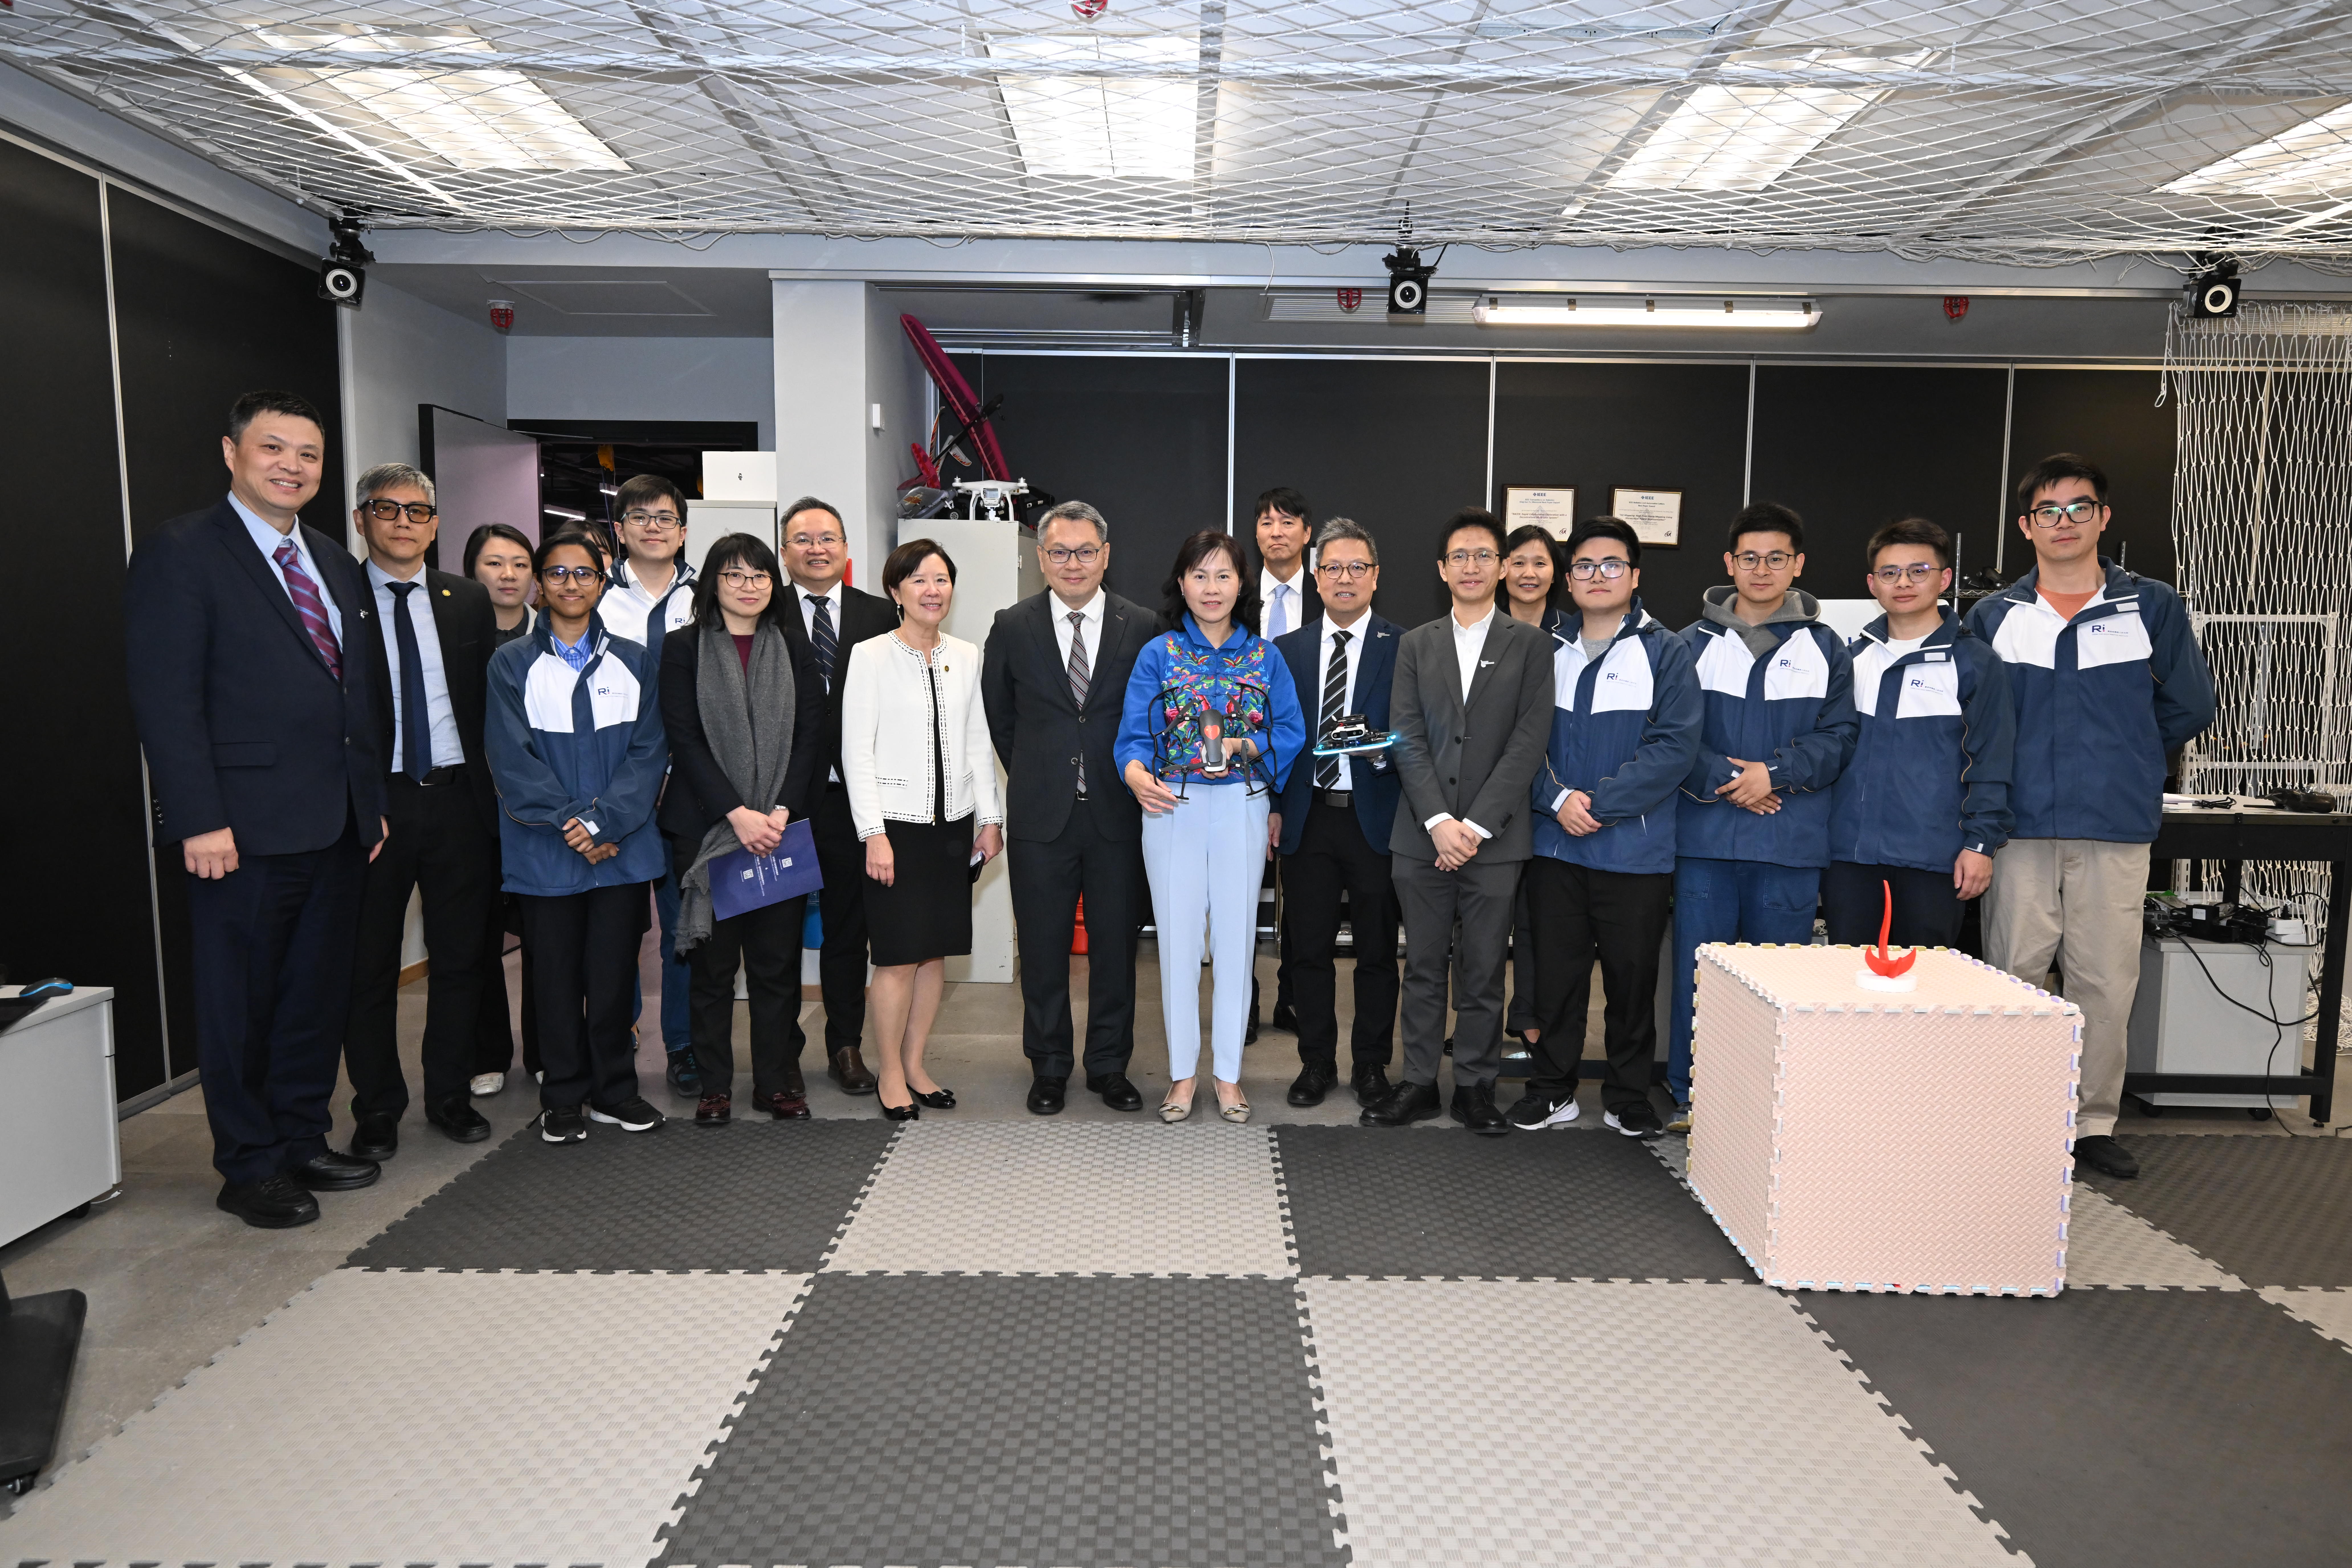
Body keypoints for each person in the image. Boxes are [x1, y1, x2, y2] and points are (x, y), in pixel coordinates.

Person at [123, 390, 388, 1228]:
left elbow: (361, 696)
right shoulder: (184, 552)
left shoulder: (335, 563)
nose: (292, 467)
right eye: (274, 449)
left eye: (307, 455)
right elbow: (166, 700)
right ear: (232, 453)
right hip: (239, 828)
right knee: (241, 999)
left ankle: (301, 1135)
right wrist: (197, 816)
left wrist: (370, 802)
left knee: (315, 993)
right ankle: (248, 1164)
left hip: (338, 821)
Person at [1967, 455, 2214, 1179]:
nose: (2065, 522)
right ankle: (2012, 1112)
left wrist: (2131, 757)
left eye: (2080, 508)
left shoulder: (2152, 605)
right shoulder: (1995, 615)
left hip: (2114, 824)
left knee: (2104, 979)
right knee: (2014, 973)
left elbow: (2189, 706)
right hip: (2018, 829)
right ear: (2026, 526)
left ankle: (2090, 1121)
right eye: (2049, 510)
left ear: (2105, 518)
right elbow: (1977, 721)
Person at [1360, 508, 1553, 1136]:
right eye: (1459, 557)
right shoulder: (1416, 644)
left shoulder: (1530, 646)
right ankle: (1418, 1083)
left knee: (1483, 968)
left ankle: (1475, 1086)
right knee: (1420, 965)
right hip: (1422, 838)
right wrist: (1440, 821)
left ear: (1501, 568)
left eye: (1483, 555)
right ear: (1442, 570)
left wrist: (1474, 827)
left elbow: (1528, 744)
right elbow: (1405, 737)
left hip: (1495, 842)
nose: (1472, 567)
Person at [1668, 503, 1858, 1130]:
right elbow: (1670, 734)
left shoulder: (1827, 648)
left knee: (1780, 982)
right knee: (1702, 977)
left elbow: (1841, 736)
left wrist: (1771, 775)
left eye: (1777, 557)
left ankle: (1767, 1107)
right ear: (1729, 564)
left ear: (1798, 566)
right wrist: (1732, 778)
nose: (1762, 569)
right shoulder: (1688, 645)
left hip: (1789, 842)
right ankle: (1692, 1095)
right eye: (1749, 557)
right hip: (1706, 839)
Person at [1510, 517, 1702, 1136]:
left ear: (1635, 575)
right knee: (1557, 978)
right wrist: (1558, 798)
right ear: (1569, 580)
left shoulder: (1667, 651)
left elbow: (1674, 748)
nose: (1599, 576)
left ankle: (1627, 1095)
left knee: (1632, 979)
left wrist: (1600, 803)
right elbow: (1519, 744)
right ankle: (1551, 1088)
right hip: (1555, 845)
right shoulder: (1543, 649)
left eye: (1612, 565)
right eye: (1586, 567)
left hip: (1635, 850)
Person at [484, 528, 671, 1144]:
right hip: (545, 855)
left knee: (615, 978)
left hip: (622, 852)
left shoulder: (634, 659)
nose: (571, 584)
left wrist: (603, 824)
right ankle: (562, 1096)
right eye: (558, 574)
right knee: (556, 980)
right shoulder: (511, 664)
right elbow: (512, 761)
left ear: (601, 578)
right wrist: (577, 823)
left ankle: (615, 1091)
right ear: (541, 583)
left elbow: (649, 755)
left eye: (583, 574)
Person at [1118, 530, 1306, 1123]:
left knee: (1235, 941)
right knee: (1175, 945)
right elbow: (1131, 737)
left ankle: (1228, 1075)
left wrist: (1247, 744)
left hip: (1241, 806)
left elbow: (1292, 734)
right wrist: (1135, 774)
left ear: (1242, 584)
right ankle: (1181, 1076)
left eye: (1223, 575)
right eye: (1199, 575)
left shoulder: (1265, 656)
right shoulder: (1160, 654)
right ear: (1182, 584)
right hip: (1171, 807)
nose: (1212, 587)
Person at [340, 464, 501, 1161]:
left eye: (417, 512)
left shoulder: (465, 600)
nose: (403, 523)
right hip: (375, 808)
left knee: (462, 958)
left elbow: (487, 705)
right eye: (387, 510)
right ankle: (377, 1107)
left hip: (459, 801)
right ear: (361, 520)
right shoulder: (338, 594)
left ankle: (449, 1095)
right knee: (368, 966)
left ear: (436, 524)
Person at [980, 500, 1157, 1116]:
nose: (1073, 563)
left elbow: (1154, 717)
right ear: (1041, 558)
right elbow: (1000, 716)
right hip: (1041, 815)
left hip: (1118, 813)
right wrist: (1039, 768)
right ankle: (1049, 1066)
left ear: (1106, 557)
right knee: (1045, 947)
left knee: (1115, 947)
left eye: (1085, 551)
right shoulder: (1012, 625)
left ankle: (1109, 1065)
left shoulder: (1144, 626)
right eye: (1060, 552)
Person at [660, 533, 825, 1126]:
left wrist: (779, 810)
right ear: (713, 584)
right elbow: (685, 738)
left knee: (776, 968)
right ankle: (715, 1086)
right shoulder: (683, 649)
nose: (749, 585)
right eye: (734, 575)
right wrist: (738, 813)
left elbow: (811, 734)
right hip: (710, 831)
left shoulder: (793, 648)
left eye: (759, 575)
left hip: (780, 830)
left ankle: (776, 1083)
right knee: (712, 970)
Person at [840, 539, 1006, 1120]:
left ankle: (915, 1064)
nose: (932, 590)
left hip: (952, 829)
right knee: (896, 957)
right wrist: (873, 832)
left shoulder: (966, 654)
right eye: (918, 580)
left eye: (941, 579)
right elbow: (856, 751)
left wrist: (991, 817)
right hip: (897, 829)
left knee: (934, 953)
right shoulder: (870, 655)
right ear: (896, 592)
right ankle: (889, 1071)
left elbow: (978, 741)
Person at [1824, 517, 2015, 952]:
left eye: (1919, 571)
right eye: (1890, 573)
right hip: (1849, 860)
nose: (1904, 583)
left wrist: (1981, 844)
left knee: (1923, 1001)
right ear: (1873, 584)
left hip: (1934, 861)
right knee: (1846, 994)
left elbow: (1993, 762)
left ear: (1945, 579)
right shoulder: (1850, 660)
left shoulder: (1976, 664)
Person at [1270, 518, 1403, 1108]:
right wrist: (1274, 807)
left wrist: (1382, 749)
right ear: (1315, 577)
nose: (1344, 578)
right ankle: (1316, 1062)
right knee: (1309, 950)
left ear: (1375, 577)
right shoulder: (1287, 651)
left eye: (1357, 568)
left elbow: (1419, 734)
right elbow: (1274, 736)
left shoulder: (1406, 647)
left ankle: (1372, 1065)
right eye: (1332, 568)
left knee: (1377, 950)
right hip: (1308, 815)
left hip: (1376, 817)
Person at [773, 496, 898, 1098]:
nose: (816, 548)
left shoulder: (882, 615)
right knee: (778, 930)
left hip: (857, 802)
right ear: (784, 551)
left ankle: (845, 1045)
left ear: (847, 550)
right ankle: (781, 1052)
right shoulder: (764, 613)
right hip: (783, 805)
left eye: (827, 538)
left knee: (850, 930)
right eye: (802, 539)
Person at [598, 474, 699, 1097]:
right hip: (616, 786)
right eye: (640, 516)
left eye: (666, 517)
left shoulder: (709, 595)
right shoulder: (594, 596)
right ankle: (618, 1033)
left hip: (689, 788)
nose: (654, 526)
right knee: (619, 927)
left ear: (684, 530)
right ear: (620, 528)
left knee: (685, 926)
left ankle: (683, 1044)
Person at [462, 522, 540, 1095]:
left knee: (545, 937)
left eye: (519, 563)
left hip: (542, 814)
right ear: (472, 571)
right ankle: (487, 1052)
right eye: (494, 563)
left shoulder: (555, 635)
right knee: (478, 937)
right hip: (473, 812)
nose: (508, 574)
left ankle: (545, 1049)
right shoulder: (458, 637)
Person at [1252, 487, 1318, 1039]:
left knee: (1303, 893)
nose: (1276, 531)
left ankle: (1292, 998)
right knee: (1239, 892)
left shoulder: (1330, 595)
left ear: (1307, 533)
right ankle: (1242, 1002)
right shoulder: (1230, 596)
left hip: (1308, 764)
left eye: (1287, 521)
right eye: (1267, 522)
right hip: (1237, 764)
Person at [1499, 522, 1567, 1049]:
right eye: (1518, 561)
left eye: (1540, 563)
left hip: (1549, 800)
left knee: (1537, 918)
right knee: (1478, 921)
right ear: (1501, 570)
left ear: (1556, 573)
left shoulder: (1572, 637)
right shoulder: (1480, 630)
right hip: (1486, 800)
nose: (1528, 573)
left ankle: (1527, 1015)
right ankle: (1474, 1020)